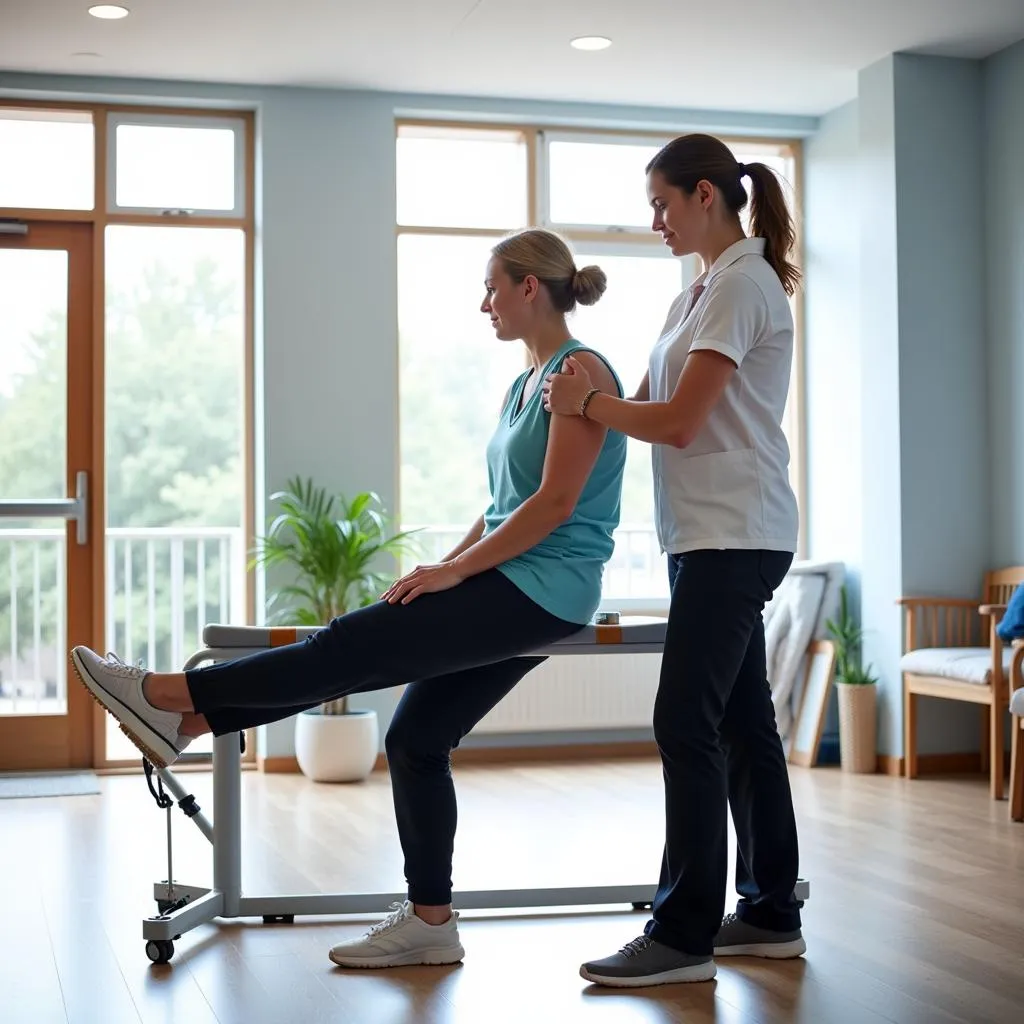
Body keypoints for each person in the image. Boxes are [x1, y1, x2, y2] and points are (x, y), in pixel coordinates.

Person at [72, 227, 627, 971]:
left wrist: (458, 576)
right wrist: (449, 562)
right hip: (512, 576)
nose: (483, 303)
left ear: (531, 288)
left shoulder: (582, 370)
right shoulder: (525, 383)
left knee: (346, 646)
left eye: (493, 287)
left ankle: (171, 697)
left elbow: (555, 504)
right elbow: (504, 504)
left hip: (545, 586)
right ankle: (431, 922)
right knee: (415, 740)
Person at [543, 133, 805, 988]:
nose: (653, 220)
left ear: (704, 194)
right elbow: (649, 408)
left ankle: (683, 934)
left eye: (660, 203)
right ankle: (768, 912)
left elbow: (681, 422)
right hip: (707, 534)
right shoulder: (697, 293)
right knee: (739, 722)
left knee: (682, 720)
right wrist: (591, 405)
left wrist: (590, 401)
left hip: (737, 532)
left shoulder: (741, 285)